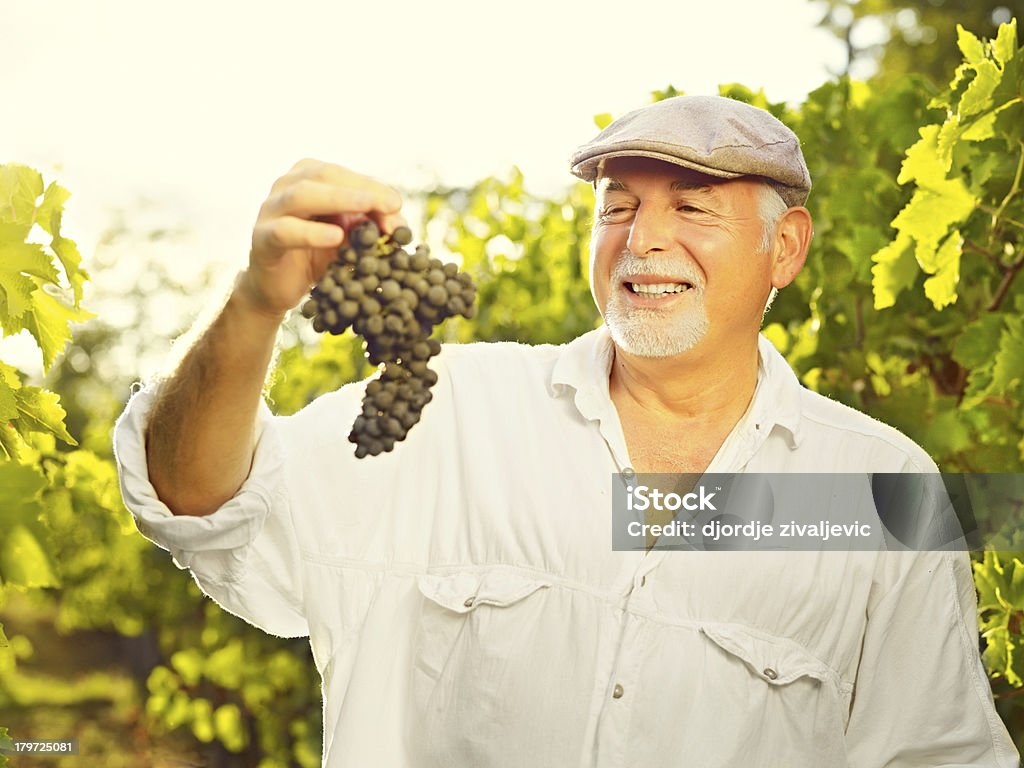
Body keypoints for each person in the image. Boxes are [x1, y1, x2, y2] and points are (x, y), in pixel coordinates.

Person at [114, 95, 1019, 767]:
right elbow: (199, 501)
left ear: (785, 247)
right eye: (617, 206)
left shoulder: (876, 491)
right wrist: (255, 305)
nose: (642, 239)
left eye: (692, 207)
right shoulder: (449, 412)